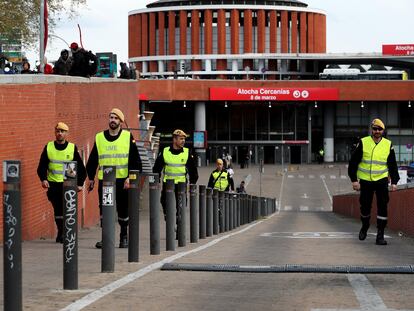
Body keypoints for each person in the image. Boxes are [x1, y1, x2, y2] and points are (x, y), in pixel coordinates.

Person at [86, 108, 142, 248]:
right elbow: (93, 159)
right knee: (105, 210)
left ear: (121, 122)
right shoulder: (99, 137)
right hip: (105, 181)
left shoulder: (127, 137)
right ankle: (106, 238)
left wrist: (130, 178)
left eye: (116, 118)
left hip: (123, 181)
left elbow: (135, 160)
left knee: (123, 209)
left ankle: (124, 236)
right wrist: (91, 178)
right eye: (111, 117)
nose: (112, 120)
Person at [348, 118, 399, 245]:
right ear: (372, 129)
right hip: (365, 181)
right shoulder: (364, 142)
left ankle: (380, 235)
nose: (377, 131)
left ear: (383, 130)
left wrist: (394, 182)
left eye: (379, 129)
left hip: (381, 180)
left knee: (383, 207)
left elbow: (392, 164)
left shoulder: (388, 144)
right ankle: (365, 227)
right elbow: (353, 162)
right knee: (365, 206)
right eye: (375, 129)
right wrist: (354, 180)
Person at [37, 122, 86, 243]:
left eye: (62, 131)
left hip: (68, 185)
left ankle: (65, 233)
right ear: (55, 132)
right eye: (58, 131)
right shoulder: (49, 147)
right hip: (54, 184)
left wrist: (80, 183)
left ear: (66, 133)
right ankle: (61, 232)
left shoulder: (71, 148)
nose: (60, 133)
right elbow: (42, 166)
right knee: (58, 210)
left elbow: (81, 168)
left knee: (67, 209)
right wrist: (43, 179)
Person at [152, 129, 198, 227]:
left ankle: (179, 227)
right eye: (181, 139)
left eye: (184, 139)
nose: (183, 141)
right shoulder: (165, 151)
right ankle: (167, 215)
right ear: (174, 140)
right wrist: (157, 181)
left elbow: (193, 171)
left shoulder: (186, 152)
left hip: (181, 185)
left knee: (180, 207)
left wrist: (192, 183)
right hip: (167, 184)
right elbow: (156, 169)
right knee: (164, 201)